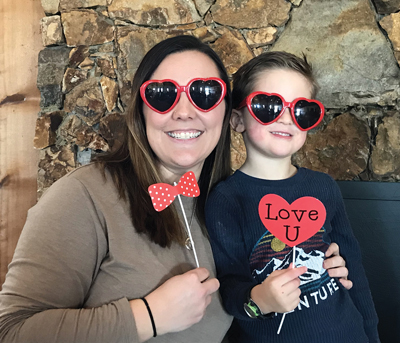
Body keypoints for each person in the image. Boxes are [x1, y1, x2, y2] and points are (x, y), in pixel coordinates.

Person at [0, 36, 351, 343]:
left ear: (227, 112)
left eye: (205, 93)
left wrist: (319, 266)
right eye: (163, 94)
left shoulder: (223, 201)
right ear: (142, 108)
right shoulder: (82, 197)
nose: (185, 111)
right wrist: (148, 317)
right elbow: (11, 331)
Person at [205, 51, 379, 343]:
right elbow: (229, 287)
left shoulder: (324, 187)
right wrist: (259, 298)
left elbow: (354, 270)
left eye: (302, 109)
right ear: (237, 119)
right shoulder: (226, 199)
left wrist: (371, 332)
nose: (286, 118)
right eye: (267, 105)